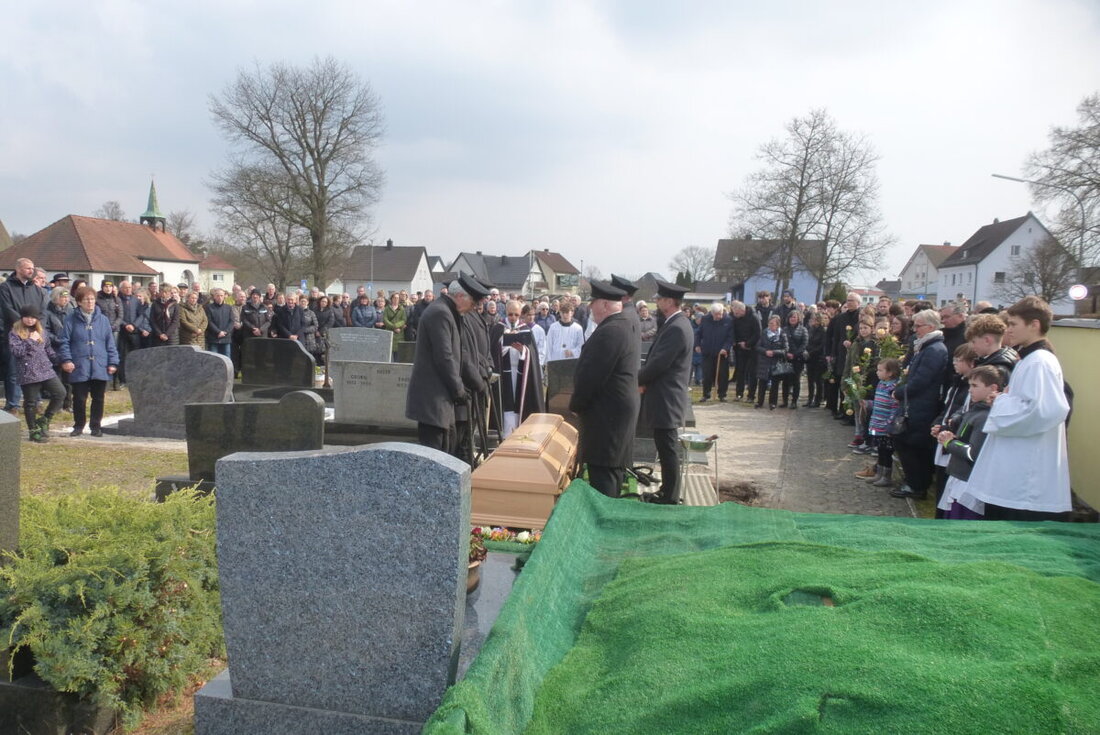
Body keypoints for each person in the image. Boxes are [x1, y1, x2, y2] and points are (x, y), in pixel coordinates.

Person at [965, 297, 1071, 520]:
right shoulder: (1028, 359)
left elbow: (1042, 411)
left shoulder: (1040, 361)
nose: (1008, 330)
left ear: (1034, 325)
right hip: (1017, 460)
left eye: (1013, 324)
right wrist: (1004, 399)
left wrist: (1000, 401)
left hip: (1026, 473)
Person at [570, 280, 639, 498]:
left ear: (605, 305)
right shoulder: (623, 324)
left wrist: (576, 405)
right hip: (614, 413)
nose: (590, 307)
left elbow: (592, 376)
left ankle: (605, 517)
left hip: (607, 415)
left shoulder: (611, 330)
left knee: (604, 475)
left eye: (594, 302)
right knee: (611, 471)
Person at [406, 275, 487, 454]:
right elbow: (444, 356)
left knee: (448, 450)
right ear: (460, 296)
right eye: (473, 302)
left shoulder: (451, 312)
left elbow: (461, 353)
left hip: (442, 400)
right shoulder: (440, 313)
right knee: (436, 455)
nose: (474, 307)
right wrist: (459, 390)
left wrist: (478, 383)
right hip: (433, 399)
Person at [637, 280, 693, 505]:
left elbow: (660, 363)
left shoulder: (677, 327)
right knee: (664, 445)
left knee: (668, 448)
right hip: (665, 395)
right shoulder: (674, 323)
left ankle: (670, 496)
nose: (657, 302)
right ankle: (667, 491)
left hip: (667, 397)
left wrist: (636, 380)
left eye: (660, 299)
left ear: (670, 301)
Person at [889, 309, 949, 500]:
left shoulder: (934, 350)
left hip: (921, 406)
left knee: (911, 445)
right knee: (906, 443)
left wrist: (899, 392)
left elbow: (921, 381)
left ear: (930, 327)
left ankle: (916, 485)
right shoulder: (926, 346)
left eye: (918, 326)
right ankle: (914, 482)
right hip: (915, 403)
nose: (915, 329)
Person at [936, 365, 1005, 520]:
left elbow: (973, 453)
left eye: (975, 386)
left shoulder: (985, 417)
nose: (970, 390)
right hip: (958, 478)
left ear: (993, 388)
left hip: (968, 484)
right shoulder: (975, 411)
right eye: (969, 385)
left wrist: (949, 442)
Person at [58, 287, 119, 437]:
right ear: (79, 302)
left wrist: (113, 362)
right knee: (79, 398)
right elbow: (64, 341)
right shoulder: (71, 319)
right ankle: (79, 425)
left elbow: (110, 343)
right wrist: (67, 359)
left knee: (98, 398)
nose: (90, 302)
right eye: (86, 299)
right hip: (79, 365)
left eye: (92, 299)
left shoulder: (103, 320)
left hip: (99, 364)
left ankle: (96, 426)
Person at [8, 305, 64, 442]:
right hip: (28, 372)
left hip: (45, 369)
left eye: (33, 317)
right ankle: (33, 430)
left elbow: (48, 349)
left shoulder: (41, 331)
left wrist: (59, 360)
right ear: (22, 317)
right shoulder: (14, 333)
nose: (30, 320)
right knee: (30, 403)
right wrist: (30, 341)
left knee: (60, 393)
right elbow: (17, 352)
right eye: (27, 317)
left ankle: (45, 419)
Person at [1, 257, 50, 411]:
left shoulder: (36, 290)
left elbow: (43, 311)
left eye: (32, 268)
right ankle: (13, 404)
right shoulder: (6, 288)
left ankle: (35, 402)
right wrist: (24, 327)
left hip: (34, 335)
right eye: (28, 268)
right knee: (13, 371)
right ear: (18, 269)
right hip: (14, 334)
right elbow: (7, 309)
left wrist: (37, 328)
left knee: (34, 369)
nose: (31, 271)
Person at [490, 300, 544, 438]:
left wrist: (522, 350)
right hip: (503, 374)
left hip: (520, 372)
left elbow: (532, 354)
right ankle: (504, 434)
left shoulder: (525, 329)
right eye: (510, 314)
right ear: (506, 312)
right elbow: (492, 352)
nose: (513, 317)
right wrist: (504, 344)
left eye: (516, 314)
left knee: (519, 401)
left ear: (521, 314)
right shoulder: (498, 328)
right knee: (505, 402)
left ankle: (520, 431)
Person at [857, 357, 901, 488]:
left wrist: (890, 424)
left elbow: (895, 408)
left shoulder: (894, 387)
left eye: (880, 370)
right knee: (880, 450)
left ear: (890, 373)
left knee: (887, 451)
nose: (877, 372)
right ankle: (879, 473)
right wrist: (868, 404)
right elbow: (877, 403)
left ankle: (886, 476)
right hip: (877, 422)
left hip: (885, 425)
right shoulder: (881, 384)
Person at [695, 302, 732, 403]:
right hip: (707, 351)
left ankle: (722, 395)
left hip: (722, 353)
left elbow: (730, 337)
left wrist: (725, 348)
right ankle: (706, 394)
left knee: (722, 375)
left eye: (720, 314)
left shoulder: (728, 320)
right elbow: (698, 333)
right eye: (716, 314)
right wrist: (697, 344)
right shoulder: (705, 319)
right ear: (711, 313)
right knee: (707, 374)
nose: (719, 316)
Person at [754, 314, 788, 410]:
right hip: (764, 362)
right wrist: (765, 351)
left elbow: (785, 349)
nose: (771, 325)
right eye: (769, 323)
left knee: (775, 384)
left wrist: (774, 352)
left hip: (776, 362)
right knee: (762, 383)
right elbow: (757, 347)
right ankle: (759, 402)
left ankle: (773, 403)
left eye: (773, 324)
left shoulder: (782, 334)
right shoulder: (764, 333)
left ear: (778, 325)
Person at [730, 300, 760, 402]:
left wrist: (747, 344)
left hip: (752, 349)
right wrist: (735, 341)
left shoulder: (754, 317)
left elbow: (757, 333)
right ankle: (739, 393)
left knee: (752, 372)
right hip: (740, 349)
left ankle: (751, 395)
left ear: (742, 310)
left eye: (736, 313)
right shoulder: (736, 318)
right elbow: (733, 331)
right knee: (740, 371)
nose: (735, 315)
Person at [781, 309, 809, 409]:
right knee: (785, 380)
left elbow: (804, 344)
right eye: (791, 317)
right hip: (786, 358)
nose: (792, 319)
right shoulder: (784, 329)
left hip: (798, 359)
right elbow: (781, 342)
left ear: (798, 319)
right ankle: (784, 401)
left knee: (796, 380)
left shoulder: (803, 330)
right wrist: (786, 353)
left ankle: (794, 401)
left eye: (794, 317)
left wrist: (795, 354)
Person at [804, 311, 828, 407]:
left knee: (818, 380)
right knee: (810, 380)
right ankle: (810, 399)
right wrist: (806, 350)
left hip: (818, 358)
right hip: (810, 358)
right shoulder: (811, 329)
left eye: (813, 319)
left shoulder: (823, 331)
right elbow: (807, 341)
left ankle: (818, 399)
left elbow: (822, 346)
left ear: (818, 320)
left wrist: (810, 352)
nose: (811, 321)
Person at [205, 288, 235, 358]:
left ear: (224, 296)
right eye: (218, 295)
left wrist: (225, 332)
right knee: (213, 359)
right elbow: (209, 321)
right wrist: (218, 332)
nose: (220, 297)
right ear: (214, 297)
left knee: (227, 359)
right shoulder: (209, 307)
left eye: (221, 295)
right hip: (214, 338)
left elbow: (231, 321)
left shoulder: (229, 307)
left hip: (226, 338)